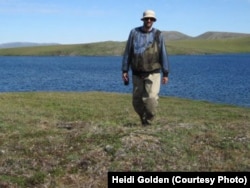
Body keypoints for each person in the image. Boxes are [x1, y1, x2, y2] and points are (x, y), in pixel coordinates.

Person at [121, 10, 170, 126]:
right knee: (137, 101)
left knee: (151, 100)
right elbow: (128, 52)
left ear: (154, 20)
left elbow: (163, 53)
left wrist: (166, 72)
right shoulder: (134, 32)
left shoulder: (158, 34)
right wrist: (124, 70)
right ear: (143, 19)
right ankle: (143, 119)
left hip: (154, 73)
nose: (149, 20)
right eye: (147, 18)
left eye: (151, 19)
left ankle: (148, 122)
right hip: (137, 73)